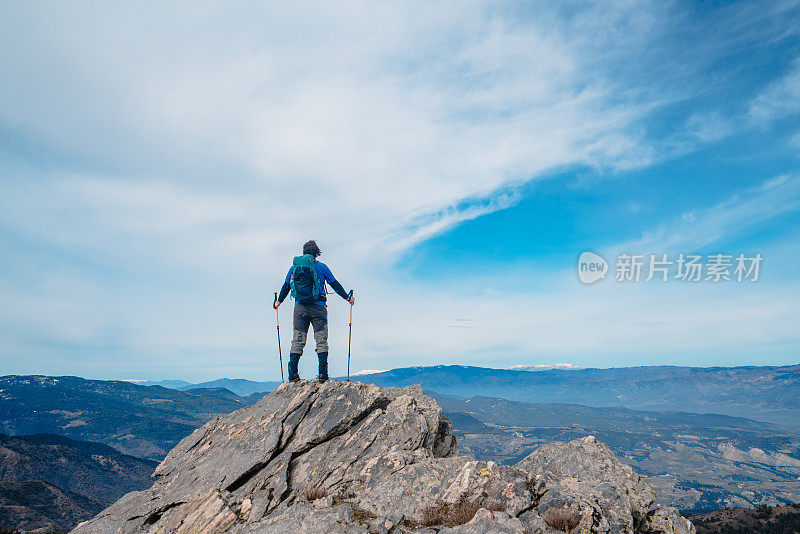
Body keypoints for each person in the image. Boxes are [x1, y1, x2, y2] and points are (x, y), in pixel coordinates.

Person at [274, 240, 354, 382]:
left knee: (298, 340)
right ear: (316, 254)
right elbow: (334, 284)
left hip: (300, 308)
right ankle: (323, 375)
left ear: (303, 252)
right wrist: (348, 298)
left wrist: (278, 301)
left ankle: (293, 375)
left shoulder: (294, 268)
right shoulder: (322, 267)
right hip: (319, 308)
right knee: (321, 340)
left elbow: (286, 285)